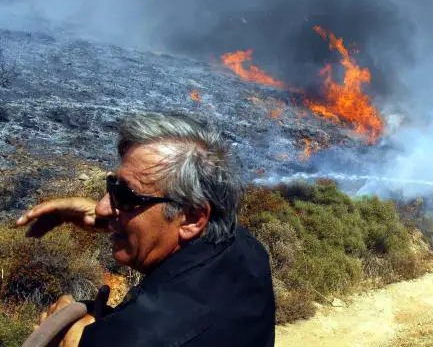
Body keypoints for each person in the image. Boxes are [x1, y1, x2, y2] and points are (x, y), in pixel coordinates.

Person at [16, 112, 276, 346]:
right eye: (113, 187)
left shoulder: (139, 335)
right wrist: (115, 219)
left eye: (126, 197)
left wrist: (72, 340)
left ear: (193, 218)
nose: (102, 208)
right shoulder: (247, 250)